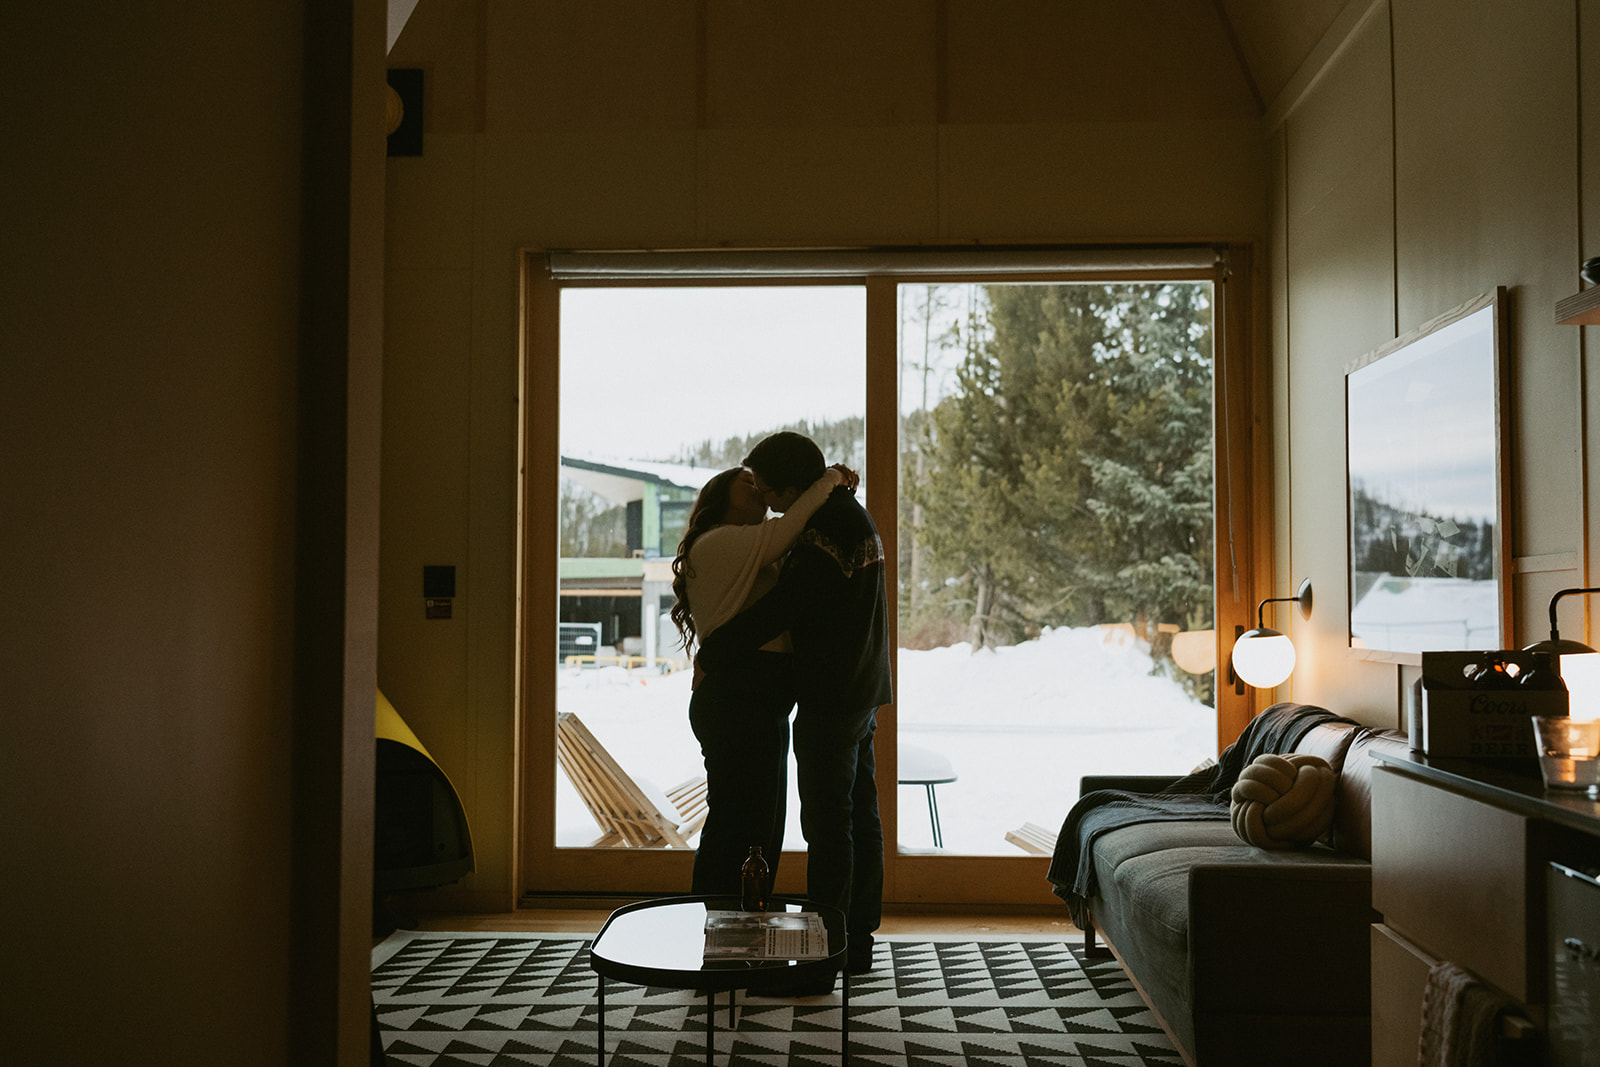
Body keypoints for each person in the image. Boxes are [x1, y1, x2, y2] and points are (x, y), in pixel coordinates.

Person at [696, 432, 892, 987]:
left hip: (832, 693)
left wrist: (712, 652)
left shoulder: (825, 531)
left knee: (829, 824)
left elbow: (783, 608)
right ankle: (856, 939)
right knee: (858, 815)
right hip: (861, 685)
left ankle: (825, 955)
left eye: (768, 490)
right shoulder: (851, 516)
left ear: (789, 488)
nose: (769, 502)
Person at [669, 462, 853, 897]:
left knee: (761, 827)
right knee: (737, 823)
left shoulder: (748, 551)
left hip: (757, 696)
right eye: (746, 483)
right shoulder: (719, 541)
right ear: (719, 499)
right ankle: (713, 924)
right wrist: (827, 480)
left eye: (759, 481)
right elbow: (787, 528)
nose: (757, 487)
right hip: (736, 697)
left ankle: (746, 926)